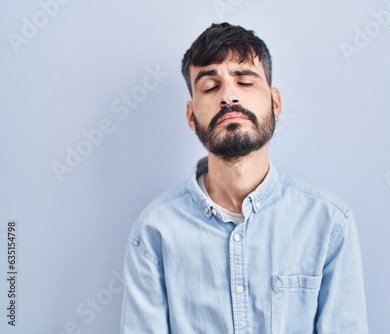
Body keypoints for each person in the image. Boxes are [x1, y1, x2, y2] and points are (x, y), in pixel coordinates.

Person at [121, 22, 369, 334]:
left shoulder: (329, 223)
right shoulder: (154, 232)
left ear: (275, 103)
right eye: (210, 86)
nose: (229, 96)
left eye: (245, 82)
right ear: (190, 115)